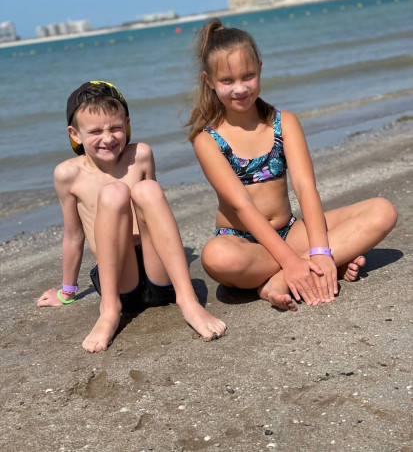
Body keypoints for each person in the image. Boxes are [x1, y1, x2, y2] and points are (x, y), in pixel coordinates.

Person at [185, 20, 398, 310]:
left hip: (290, 232)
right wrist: (291, 261)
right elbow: (242, 206)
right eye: (227, 81)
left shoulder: (283, 123)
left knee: (382, 211)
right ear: (209, 80)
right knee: (216, 257)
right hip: (243, 244)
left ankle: (281, 279)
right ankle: (312, 265)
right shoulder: (207, 140)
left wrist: (320, 251)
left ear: (260, 68)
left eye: (248, 76)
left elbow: (305, 186)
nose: (240, 88)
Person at [37, 81, 226, 352]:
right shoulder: (68, 175)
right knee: (114, 193)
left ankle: (188, 301)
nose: (108, 138)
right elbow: (74, 236)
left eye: (114, 128)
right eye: (95, 131)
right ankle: (109, 311)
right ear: (75, 134)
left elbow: (154, 216)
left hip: (160, 277)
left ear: (126, 124)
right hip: (119, 281)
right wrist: (67, 291)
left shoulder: (141, 155)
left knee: (148, 189)